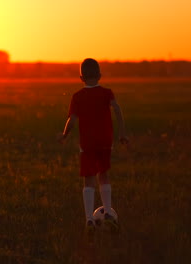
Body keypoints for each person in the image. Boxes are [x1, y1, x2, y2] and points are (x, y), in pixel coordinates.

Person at [57, 58, 128, 233]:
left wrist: (65, 135)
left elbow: (72, 120)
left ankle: (89, 219)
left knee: (88, 178)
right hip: (105, 141)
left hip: (87, 143)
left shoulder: (77, 97)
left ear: (81, 78)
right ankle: (109, 213)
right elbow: (117, 109)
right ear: (100, 75)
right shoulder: (107, 93)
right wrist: (122, 133)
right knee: (103, 175)